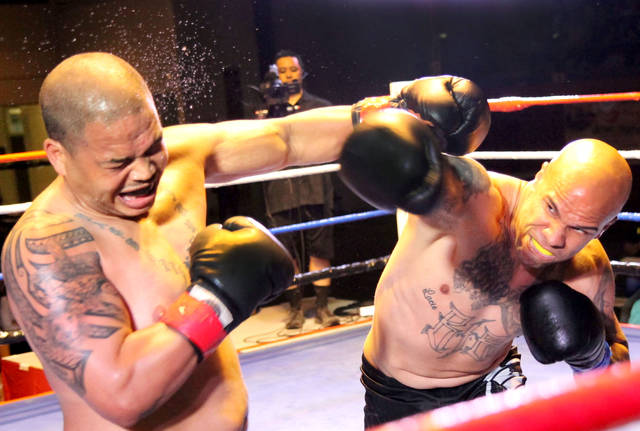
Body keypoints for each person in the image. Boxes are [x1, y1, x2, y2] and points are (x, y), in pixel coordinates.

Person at [0, 52, 355, 431]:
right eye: (118, 162)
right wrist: (219, 298)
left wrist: (381, 115)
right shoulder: (47, 244)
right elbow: (122, 394)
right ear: (58, 156)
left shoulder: (177, 159)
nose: (144, 171)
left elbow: (287, 137)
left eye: (153, 146)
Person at [337, 76, 632, 427]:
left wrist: (591, 354)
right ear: (540, 177)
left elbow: (613, 372)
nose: (555, 237)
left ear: (605, 228)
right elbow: (399, 156)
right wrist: (399, 124)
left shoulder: (587, 270)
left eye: (581, 228)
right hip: (397, 389)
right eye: (551, 208)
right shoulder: (473, 199)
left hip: (493, 382)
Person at [259, 50, 339, 329]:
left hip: (316, 186)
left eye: (293, 70)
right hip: (280, 189)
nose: (288, 76)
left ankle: (322, 306)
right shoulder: (266, 112)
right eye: (282, 71)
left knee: (320, 248)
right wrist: (271, 110)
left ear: (302, 72)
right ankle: (295, 308)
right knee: (287, 251)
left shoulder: (320, 107)